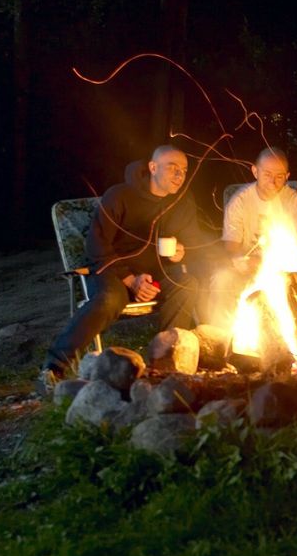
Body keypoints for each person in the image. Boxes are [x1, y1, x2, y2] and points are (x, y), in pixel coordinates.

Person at [40, 145, 204, 388]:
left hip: (155, 274)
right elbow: (96, 247)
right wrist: (130, 279)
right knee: (108, 300)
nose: (179, 175)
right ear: (153, 167)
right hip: (113, 271)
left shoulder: (183, 200)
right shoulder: (119, 196)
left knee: (187, 284)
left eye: (184, 170)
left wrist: (182, 253)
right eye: (172, 168)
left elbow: (193, 241)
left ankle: (167, 361)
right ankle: (54, 367)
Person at [207, 147, 297, 327]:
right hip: (247, 267)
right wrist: (239, 260)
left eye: (279, 176)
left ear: (287, 176)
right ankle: (223, 333)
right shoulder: (240, 202)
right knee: (221, 278)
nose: (273, 182)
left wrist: (275, 265)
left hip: (285, 270)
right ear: (255, 171)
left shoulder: (296, 203)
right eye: (267, 174)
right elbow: (231, 247)